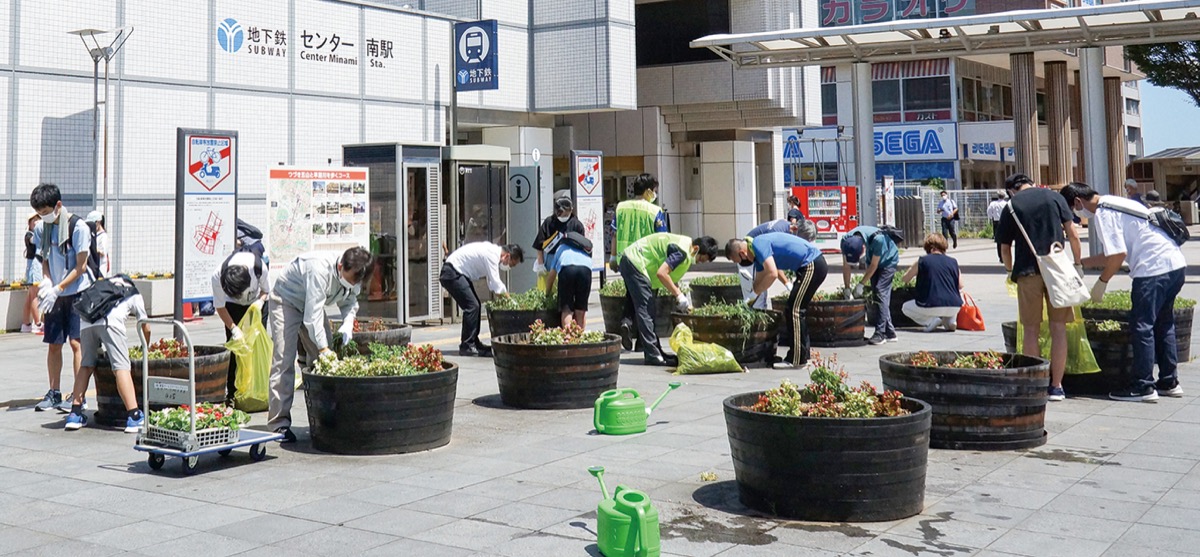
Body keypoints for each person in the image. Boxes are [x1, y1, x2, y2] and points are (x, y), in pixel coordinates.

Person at [1061, 182, 1187, 402]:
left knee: (1142, 326)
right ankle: (1169, 381)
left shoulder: (1102, 214)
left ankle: (1143, 386)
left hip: (1152, 270)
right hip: (1174, 264)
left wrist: (1102, 282)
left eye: (1073, 211)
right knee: (1164, 323)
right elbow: (1112, 255)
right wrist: (1080, 263)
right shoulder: (1115, 201)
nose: (1076, 216)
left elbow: (1118, 255)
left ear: (1078, 202)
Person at [268, 247, 374, 442]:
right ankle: (278, 425)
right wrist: (323, 348)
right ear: (341, 265)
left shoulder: (355, 273)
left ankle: (323, 417)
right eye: (351, 279)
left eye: (356, 282)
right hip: (286, 301)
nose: (353, 284)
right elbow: (312, 316)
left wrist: (347, 325)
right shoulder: (318, 269)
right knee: (284, 359)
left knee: (324, 361)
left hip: (310, 305)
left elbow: (350, 301)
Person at [997, 173, 1083, 402]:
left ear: (1012, 190)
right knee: (1058, 328)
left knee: (1031, 330)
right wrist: (1077, 264)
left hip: (1027, 272)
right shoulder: (1054, 197)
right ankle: (1057, 386)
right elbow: (1073, 234)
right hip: (1057, 271)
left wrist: (1009, 271)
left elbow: (1005, 247)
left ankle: (1034, 384)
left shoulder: (1012, 206)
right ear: (1032, 183)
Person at [30, 184, 94, 412]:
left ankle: (78, 396)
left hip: (77, 292)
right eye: (39, 212)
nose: (43, 216)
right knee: (54, 343)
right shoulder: (41, 229)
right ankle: (54, 392)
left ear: (58, 205)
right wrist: (47, 282)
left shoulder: (78, 227)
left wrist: (58, 287)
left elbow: (81, 266)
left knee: (76, 343)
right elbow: (44, 257)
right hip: (55, 295)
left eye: (46, 211)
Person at [63, 275, 151, 432]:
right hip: (111, 323)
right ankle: (134, 415)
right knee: (121, 367)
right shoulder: (133, 292)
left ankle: (75, 414)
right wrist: (146, 346)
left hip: (86, 321)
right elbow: (145, 326)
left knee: (86, 365)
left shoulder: (102, 285)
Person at [725, 233, 826, 368]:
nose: (739, 264)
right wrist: (749, 301)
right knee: (795, 309)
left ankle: (797, 360)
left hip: (812, 264)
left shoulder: (758, 244)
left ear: (742, 253)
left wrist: (754, 294)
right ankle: (803, 354)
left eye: (736, 260)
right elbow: (760, 279)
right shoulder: (756, 253)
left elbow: (772, 273)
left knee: (794, 310)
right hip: (809, 266)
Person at [619, 233, 718, 366]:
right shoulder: (682, 252)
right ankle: (652, 355)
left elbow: (670, 276)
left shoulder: (684, 246)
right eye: (701, 259)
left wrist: (680, 296)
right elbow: (662, 273)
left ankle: (653, 348)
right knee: (647, 310)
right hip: (636, 262)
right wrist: (678, 295)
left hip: (633, 259)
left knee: (645, 306)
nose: (700, 262)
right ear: (696, 248)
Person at [440, 242, 524, 357]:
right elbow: (496, 284)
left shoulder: (493, 253)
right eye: (512, 264)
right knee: (472, 306)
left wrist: (504, 300)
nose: (509, 267)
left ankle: (474, 342)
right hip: (452, 273)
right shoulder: (492, 255)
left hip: (458, 273)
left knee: (476, 305)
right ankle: (467, 345)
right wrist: (511, 303)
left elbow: (492, 284)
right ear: (507, 256)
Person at [212, 247, 270, 403]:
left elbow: (265, 291)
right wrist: (234, 328)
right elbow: (220, 306)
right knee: (235, 348)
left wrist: (260, 302)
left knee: (256, 347)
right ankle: (233, 393)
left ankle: (259, 391)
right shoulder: (217, 275)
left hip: (256, 304)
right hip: (232, 308)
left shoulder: (258, 268)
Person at [841, 226, 900, 345]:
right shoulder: (845, 240)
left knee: (880, 291)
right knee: (876, 294)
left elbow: (874, 265)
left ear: (863, 249)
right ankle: (890, 332)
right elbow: (846, 266)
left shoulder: (878, 239)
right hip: (873, 259)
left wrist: (861, 284)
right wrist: (847, 288)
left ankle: (880, 333)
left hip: (888, 261)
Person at [737, 218, 813, 309]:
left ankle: (754, 314)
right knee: (758, 296)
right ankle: (750, 317)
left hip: (757, 256)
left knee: (760, 293)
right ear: (796, 230)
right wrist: (787, 283)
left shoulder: (786, 227)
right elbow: (773, 267)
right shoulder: (777, 232)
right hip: (747, 257)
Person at [900, 233, 963, 332]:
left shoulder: (922, 261)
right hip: (955, 306)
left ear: (929, 247)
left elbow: (905, 279)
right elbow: (960, 285)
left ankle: (930, 321)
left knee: (905, 307)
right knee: (956, 294)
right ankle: (951, 321)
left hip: (930, 305)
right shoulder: (953, 262)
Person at [609, 174, 668, 271]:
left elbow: (615, 235)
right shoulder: (655, 211)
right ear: (648, 191)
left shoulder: (621, 208)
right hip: (646, 263)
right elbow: (662, 240)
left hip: (625, 261)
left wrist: (613, 257)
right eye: (654, 191)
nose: (655, 194)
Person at [544, 234, 593, 329]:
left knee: (567, 309)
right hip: (586, 271)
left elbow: (551, 276)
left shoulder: (561, 248)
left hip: (567, 269)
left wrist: (547, 294)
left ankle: (569, 339)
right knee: (580, 310)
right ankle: (580, 339)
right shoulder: (585, 250)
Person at [533, 193, 585, 275]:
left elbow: (581, 246)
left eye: (567, 214)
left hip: (570, 260)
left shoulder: (576, 224)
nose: (564, 216)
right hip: (550, 258)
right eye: (562, 214)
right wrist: (540, 263)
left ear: (571, 210)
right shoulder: (549, 222)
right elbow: (539, 245)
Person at [22, 213, 43, 334]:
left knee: (30, 295)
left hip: (34, 264)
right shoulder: (29, 235)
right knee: (34, 294)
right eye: (33, 220)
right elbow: (33, 241)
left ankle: (26, 324)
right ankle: (37, 323)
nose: (36, 222)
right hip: (34, 264)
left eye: (38, 219)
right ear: (29, 223)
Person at [85, 211, 110, 277]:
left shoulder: (103, 236)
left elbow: (102, 253)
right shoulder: (94, 234)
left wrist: (92, 248)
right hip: (94, 268)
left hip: (100, 270)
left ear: (98, 222)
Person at [987, 193, 1009, 263]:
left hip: (996, 221)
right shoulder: (1006, 203)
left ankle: (1000, 257)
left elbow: (989, 211)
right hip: (1005, 221)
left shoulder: (993, 203)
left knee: (998, 240)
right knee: (1005, 239)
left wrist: (991, 217)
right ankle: (1006, 255)